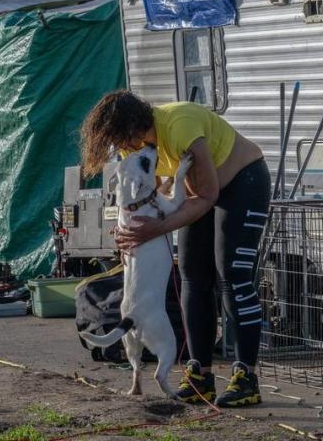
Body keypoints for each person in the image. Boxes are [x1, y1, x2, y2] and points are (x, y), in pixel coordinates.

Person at [80, 89, 270, 407]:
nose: (121, 149)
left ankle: (246, 376)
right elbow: (148, 194)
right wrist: (126, 227)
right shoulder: (134, 147)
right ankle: (200, 375)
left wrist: (156, 228)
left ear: (132, 128)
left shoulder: (179, 124)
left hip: (242, 183)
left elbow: (207, 195)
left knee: (232, 275)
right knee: (193, 276)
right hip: (201, 194)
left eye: (119, 140)